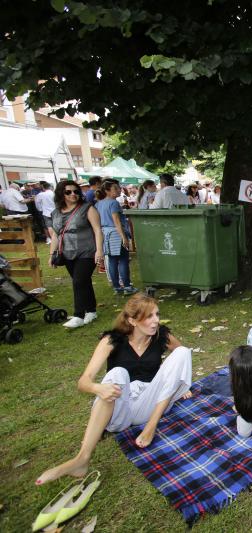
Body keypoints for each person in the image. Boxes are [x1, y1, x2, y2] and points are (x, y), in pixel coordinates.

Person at [35, 294, 193, 484]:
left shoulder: (161, 336)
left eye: (157, 314)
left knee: (183, 352)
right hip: (120, 409)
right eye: (149, 316)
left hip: (151, 403)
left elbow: (180, 357)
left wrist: (179, 384)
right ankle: (82, 459)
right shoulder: (112, 340)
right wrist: (97, 388)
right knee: (117, 373)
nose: (156, 321)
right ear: (132, 320)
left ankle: (151, 426)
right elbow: (83, 381)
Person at [49, 180, 103, 329]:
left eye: (76, 191)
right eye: (68, 192)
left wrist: (99, 250)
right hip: (67, 252)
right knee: (83, 282)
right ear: (61, 194)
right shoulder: (56, 212)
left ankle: (78, 315)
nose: (73, 194)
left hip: (87, 251)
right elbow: (55, 235)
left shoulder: (87, 208)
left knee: (78, 281)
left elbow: (98, 230)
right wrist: (52, 254)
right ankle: (91, 311)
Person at [95, 180, 136, 295]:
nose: (119, 190)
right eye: (116, 189)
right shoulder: (113, 203)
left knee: (112, 261)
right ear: (107, 191)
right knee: (123, 260)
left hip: (105, 234)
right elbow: (117, 221)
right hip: (116, 234)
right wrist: (124, 238)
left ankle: (117, 287)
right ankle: (127, 286)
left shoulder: (98, 203)